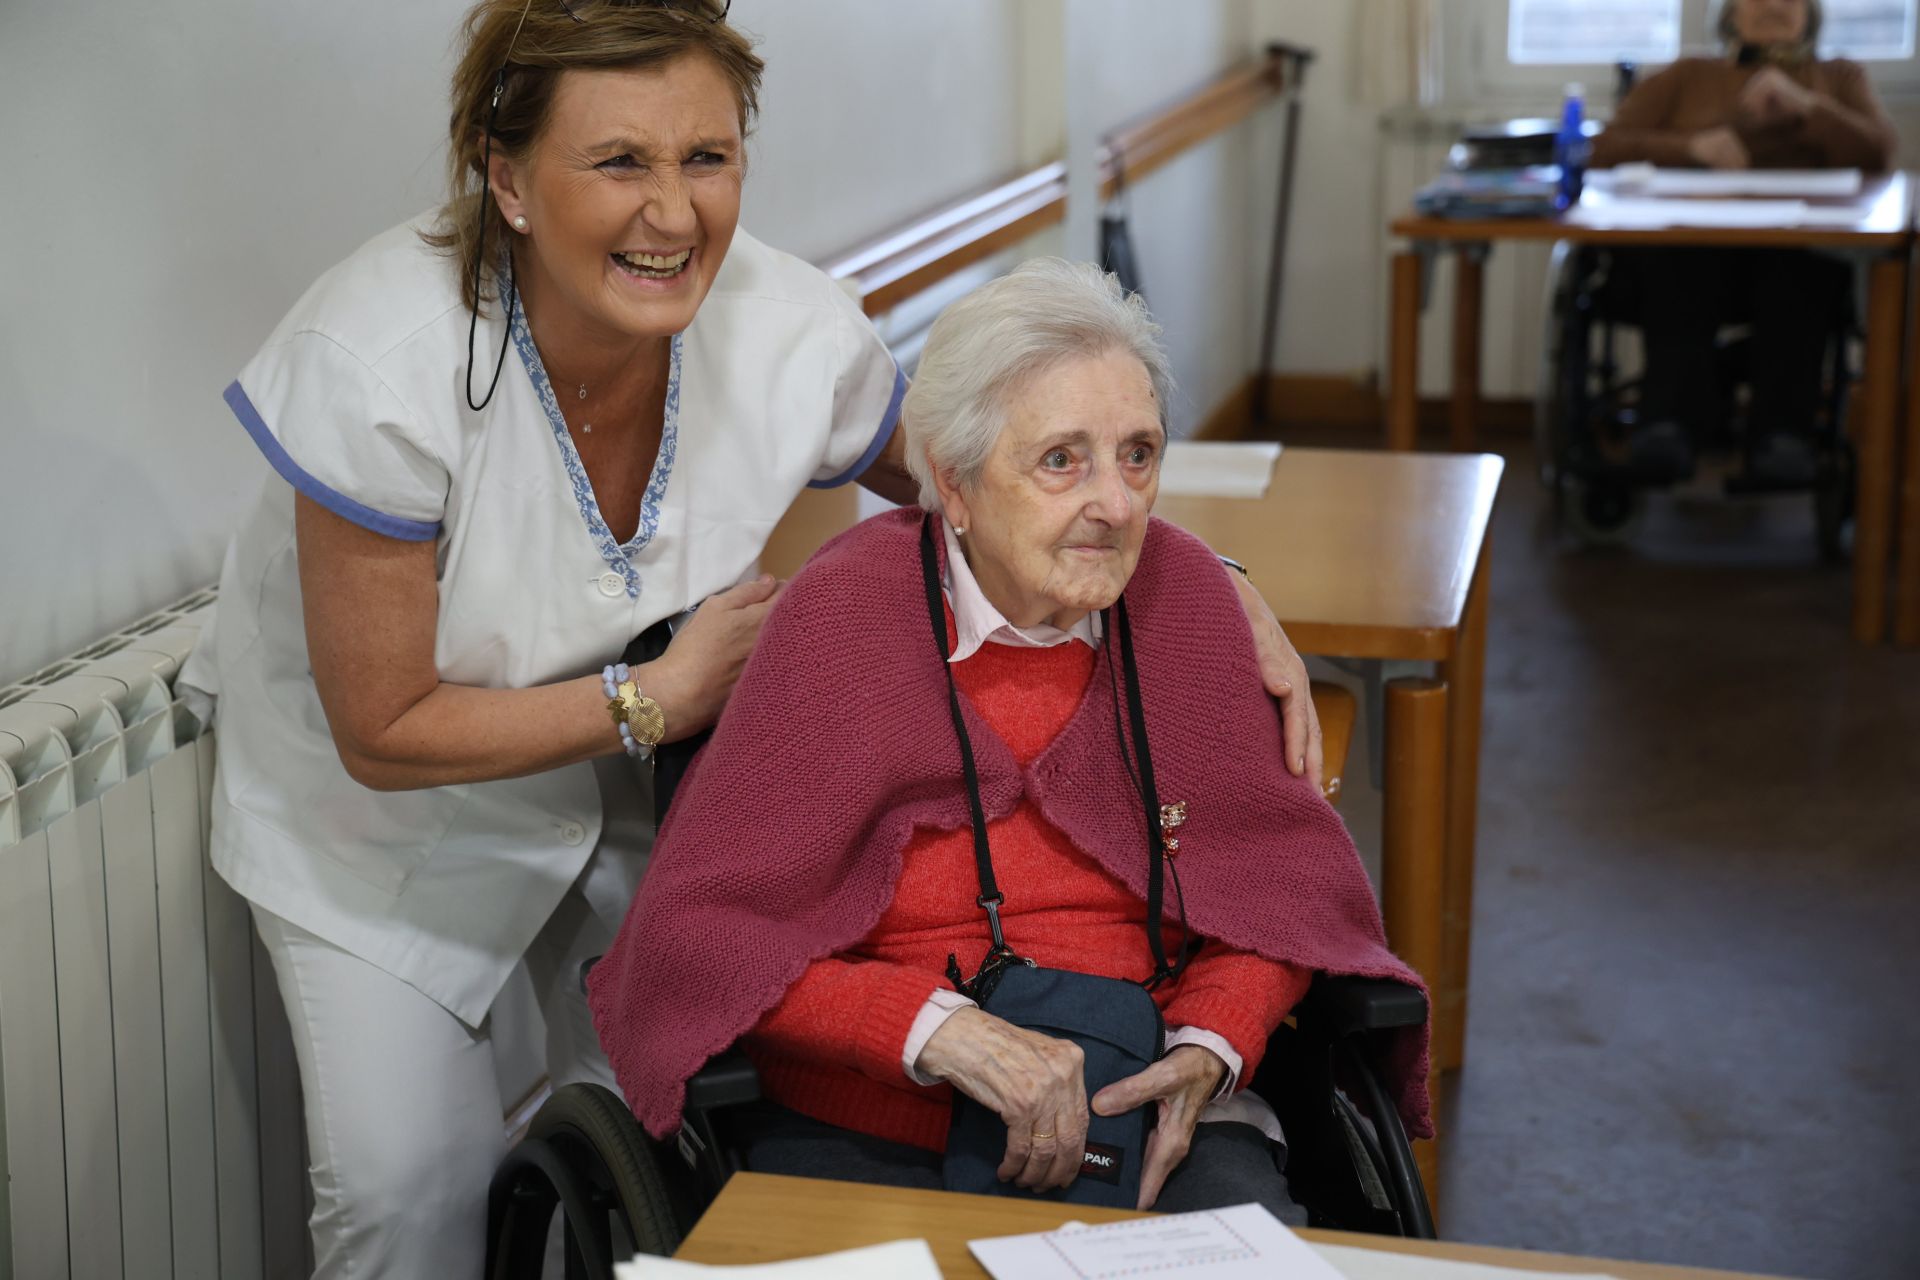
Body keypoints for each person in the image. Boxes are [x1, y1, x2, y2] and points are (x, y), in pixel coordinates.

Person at [176, 3, 1323, 1272]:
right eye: (619, 161)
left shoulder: (789, 325)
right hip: (383, 821)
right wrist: (657, 701)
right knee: (407, 1193)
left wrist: (1207, 581)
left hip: (621, 801)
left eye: (706, 158)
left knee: (653, 1132)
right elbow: (381, 726)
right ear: (506, 177)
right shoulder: (375, 360)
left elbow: (991, 482)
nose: (673, 213)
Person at [588, 259, 1430, 1220]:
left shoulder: (1187, 602)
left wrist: (1214, 1042)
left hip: (1154, 1121)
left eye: (1139, 454)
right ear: (953, 480)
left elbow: (1284, 890)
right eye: (1062, 460)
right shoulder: (844, 620)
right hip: (876, 1123)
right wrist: (939, 1034)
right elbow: (701, 943)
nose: (1115, 504)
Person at [1590, 0, 1896, 485]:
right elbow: (1603, 147)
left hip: (1793, 254)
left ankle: (1782, 437)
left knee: (1805, 269)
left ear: (1810, 12)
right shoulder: (1689, 75)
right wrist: (1690, 146)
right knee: (1676, 264)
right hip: (1692, 250)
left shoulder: (1838, 76)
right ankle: (1667, 427)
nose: (1774, 6)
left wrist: (1809, 106)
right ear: (1730, 12)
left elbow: (1879, 153)